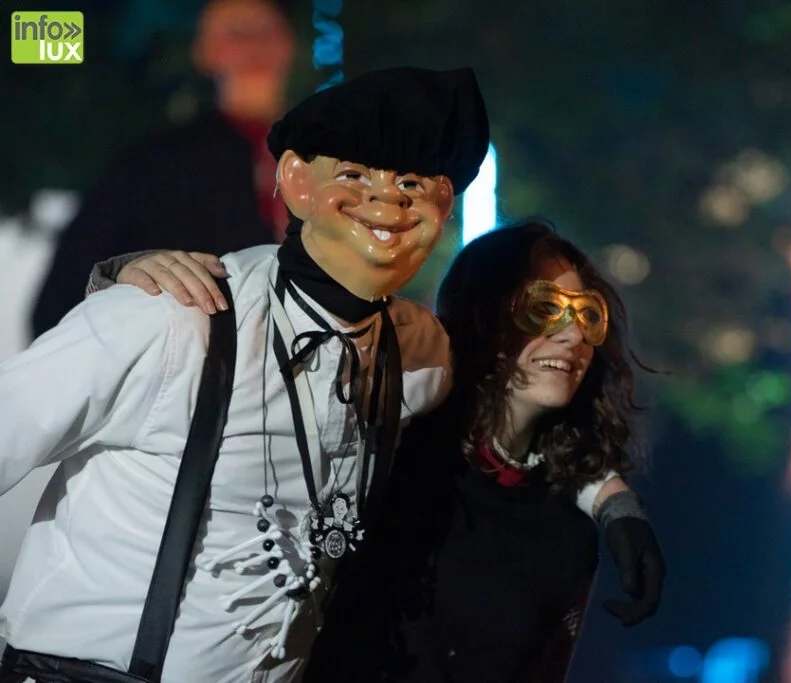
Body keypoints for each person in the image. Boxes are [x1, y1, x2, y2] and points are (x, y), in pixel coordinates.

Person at [0, 66, 491, 683]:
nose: (387, 200)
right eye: (354, 174)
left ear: (443, 206)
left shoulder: (419, 356)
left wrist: (597, 494)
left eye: (413, 183)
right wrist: (115, 281)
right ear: (296, 182)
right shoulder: (169, 321)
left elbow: (516, 418)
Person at [90, 220, 666, 682]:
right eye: (543, 308)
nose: (572, 335)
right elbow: (273, 358)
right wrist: (128, 275)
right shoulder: (385, 444)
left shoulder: (568, 533)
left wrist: (612, 500)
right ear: (484, 316)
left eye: (587, 315)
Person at [30, 0, 296, 337]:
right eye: (235, 33)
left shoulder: (324, 149)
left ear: (288, 43)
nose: (253, 45)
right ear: (204, 51)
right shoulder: (157, 164)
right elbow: (66, 290)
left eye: (265, 30)